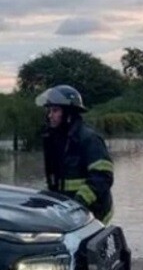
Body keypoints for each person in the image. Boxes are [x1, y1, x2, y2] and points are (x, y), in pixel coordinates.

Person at [35, 85, 114, 225]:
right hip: (69, 211)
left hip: (93, 212)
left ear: (68, 113)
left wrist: (78, 203)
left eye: (55, 110)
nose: (50, 115)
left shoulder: (89, 138)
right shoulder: (56, 138)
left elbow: (102, 176)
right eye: (49, 111)